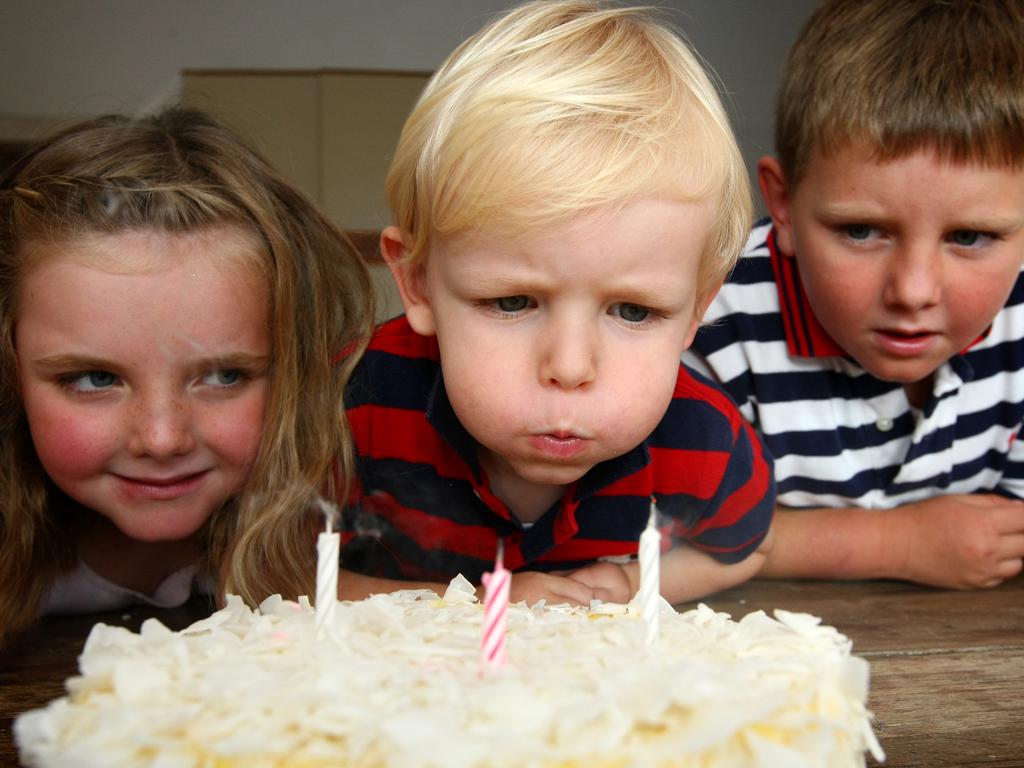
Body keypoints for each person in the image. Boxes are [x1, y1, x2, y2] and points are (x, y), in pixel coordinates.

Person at [339, 0, 775, 607]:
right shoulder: (350, 407)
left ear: (695, 310)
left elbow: (743, 548)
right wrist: (466, 608)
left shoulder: (704, 444)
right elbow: (264, 571)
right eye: (513, 301)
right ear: (417, 283)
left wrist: (631, 581)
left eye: (633, 311)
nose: (570, 367)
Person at [0, 106, 375, 643]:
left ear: (295, 373)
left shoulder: (330, 519)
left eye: (224, 376)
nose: (161, 438)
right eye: (94, 379)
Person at [686, 0, 1024, 589]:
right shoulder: (710, 321)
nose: (913, 291)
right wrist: (893, 544)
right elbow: (658, 533)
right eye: (861, 231)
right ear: (784, 205)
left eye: (969, 237)